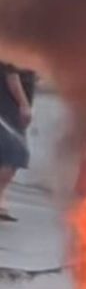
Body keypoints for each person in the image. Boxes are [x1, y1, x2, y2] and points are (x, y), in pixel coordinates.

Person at [0, 61, 36, 222]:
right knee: (15, 154)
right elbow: (11, 75)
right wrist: (23, 104)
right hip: (8, 106)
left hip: (11, 107)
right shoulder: (13, 44)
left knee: (8, 156)